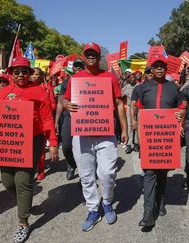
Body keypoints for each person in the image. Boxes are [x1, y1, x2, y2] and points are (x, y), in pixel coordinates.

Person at [0, 56, 58, 243]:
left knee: (23, 180)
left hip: (32, 140)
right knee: (8, 181)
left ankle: (23, 223)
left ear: (30, 73)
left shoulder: (39, 91)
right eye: (17, 71)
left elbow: (47, 119)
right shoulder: (3, 92)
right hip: (8, 141)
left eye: (24, 71)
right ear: (11, 73)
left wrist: (52, 143)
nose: (21, 75)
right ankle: (25, 197)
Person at [62, 42, 128, 231]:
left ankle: (107, 202)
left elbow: (119, 104)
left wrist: (124, 129)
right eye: (87, 54)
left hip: (105, 134)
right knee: (86, 176)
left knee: (107, 173)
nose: (91, 56)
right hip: (82, 134)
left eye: (94, 54)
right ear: (84, 57)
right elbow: (63, 98)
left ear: (99, 57)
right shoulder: (76, 78)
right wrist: (66, 104)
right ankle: (93, 209)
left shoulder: (109, 78)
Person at [135, 55, 186, 228]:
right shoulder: (143, 88)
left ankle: (161, 198)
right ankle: (148, 213)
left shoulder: (173, 87)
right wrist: (140, 139)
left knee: (162, 173)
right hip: (149, 138)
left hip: (166, 138)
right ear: (151, 68)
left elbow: (181, 107)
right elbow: (140, 113)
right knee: (149, 174)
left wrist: (180, 114)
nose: (159, 69)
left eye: (162, 66)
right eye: (156, 66)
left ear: (166, 68)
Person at [55, 58, 84, 180]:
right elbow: (60, 102)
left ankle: (85, 172)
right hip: (69, 116)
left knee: (84, 147)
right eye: (76, 66)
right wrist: (56, 121)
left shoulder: (90, 80)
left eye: (80, 66)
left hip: (86, 117)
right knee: (66, 145)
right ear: (72, 68)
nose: (78, 68)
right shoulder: (66, 82)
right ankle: (71, 165)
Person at [30, 67, 56, 181]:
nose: (34, 76)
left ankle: (41, 169)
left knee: (40, 147)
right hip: (28, 122)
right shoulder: (27, 88)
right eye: (33, 74)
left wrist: (45, 107)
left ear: (41, 76)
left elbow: (53, 104)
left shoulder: (47, 88)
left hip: (42, 121)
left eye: (37, 74)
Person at [122, 72, 139, 154]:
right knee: (130, 126)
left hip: (138, 108)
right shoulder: (126, 87)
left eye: (133, 77)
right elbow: (119, 96)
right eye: (130, 77)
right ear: (128, 79)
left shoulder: (139, 86)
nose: (132, 78)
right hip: (129, 108)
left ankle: (136, 144)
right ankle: (129, 145)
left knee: (137, 126)